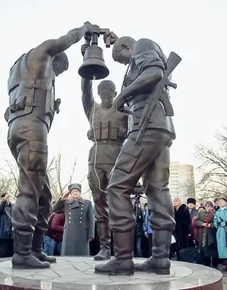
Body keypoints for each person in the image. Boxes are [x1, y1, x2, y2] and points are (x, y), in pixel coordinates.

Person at [5, 22, 95, 269]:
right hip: (30, 128)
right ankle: (22, 253)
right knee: (29, 190)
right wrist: (83, 30)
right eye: (60, 69)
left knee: (43, 194)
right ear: (55, 59)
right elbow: (64, 40)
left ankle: (35, 249)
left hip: (18, 128)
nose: (57, 74)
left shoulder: (18, 70)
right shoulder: (41, 54)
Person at [94, 33, 177, 276]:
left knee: (117, 186)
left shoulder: (142, 44)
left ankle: (122, 259)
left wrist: (121, 95)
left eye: (121, 59)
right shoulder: (145, 49)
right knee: (157, 189)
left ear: (126, 47)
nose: (123, 64)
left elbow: (153, 73)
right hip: (160, 127)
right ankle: (160, 259)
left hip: (146, 125)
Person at [80, 48, 128, 260]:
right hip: (96, 160)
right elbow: (84, 92)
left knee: (117, 203)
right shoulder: (92, 108)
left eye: (109, 95)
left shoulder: (124, 109)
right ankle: (105, 247)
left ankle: (122, 249)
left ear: (115, 94)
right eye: (102, 95)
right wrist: (87, 66)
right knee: (99, 204)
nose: (105, 98)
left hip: (117, 158)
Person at [53, 184, 95, 256]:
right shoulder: (66, 203)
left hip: (82, 232)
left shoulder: (87, 203)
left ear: (80, 192)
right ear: (70, 194)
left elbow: (91, 220)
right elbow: (54, 210)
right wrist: (61, 200)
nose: (75, 193)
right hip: (69, 232)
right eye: (73, 192)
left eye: (77, 191)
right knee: (67, 256)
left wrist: (91, 234)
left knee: (82, 256)